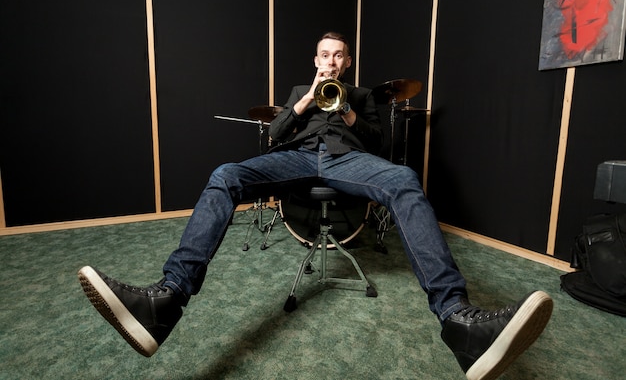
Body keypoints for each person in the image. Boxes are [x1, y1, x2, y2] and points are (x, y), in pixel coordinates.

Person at [78, 31, 553, 380]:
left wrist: (346, 108)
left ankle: (458, 318)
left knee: (405, 178)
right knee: (225, 173)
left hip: (349, 162)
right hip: (298, 159)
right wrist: (307, 99)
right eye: (324, 55)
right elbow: (276, 135)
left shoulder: (363, 96)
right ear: (316, 60)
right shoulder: (297, 94)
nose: (331, 61)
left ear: (346, 63)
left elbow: (377, 143)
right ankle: (166, 298)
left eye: (338, 56)